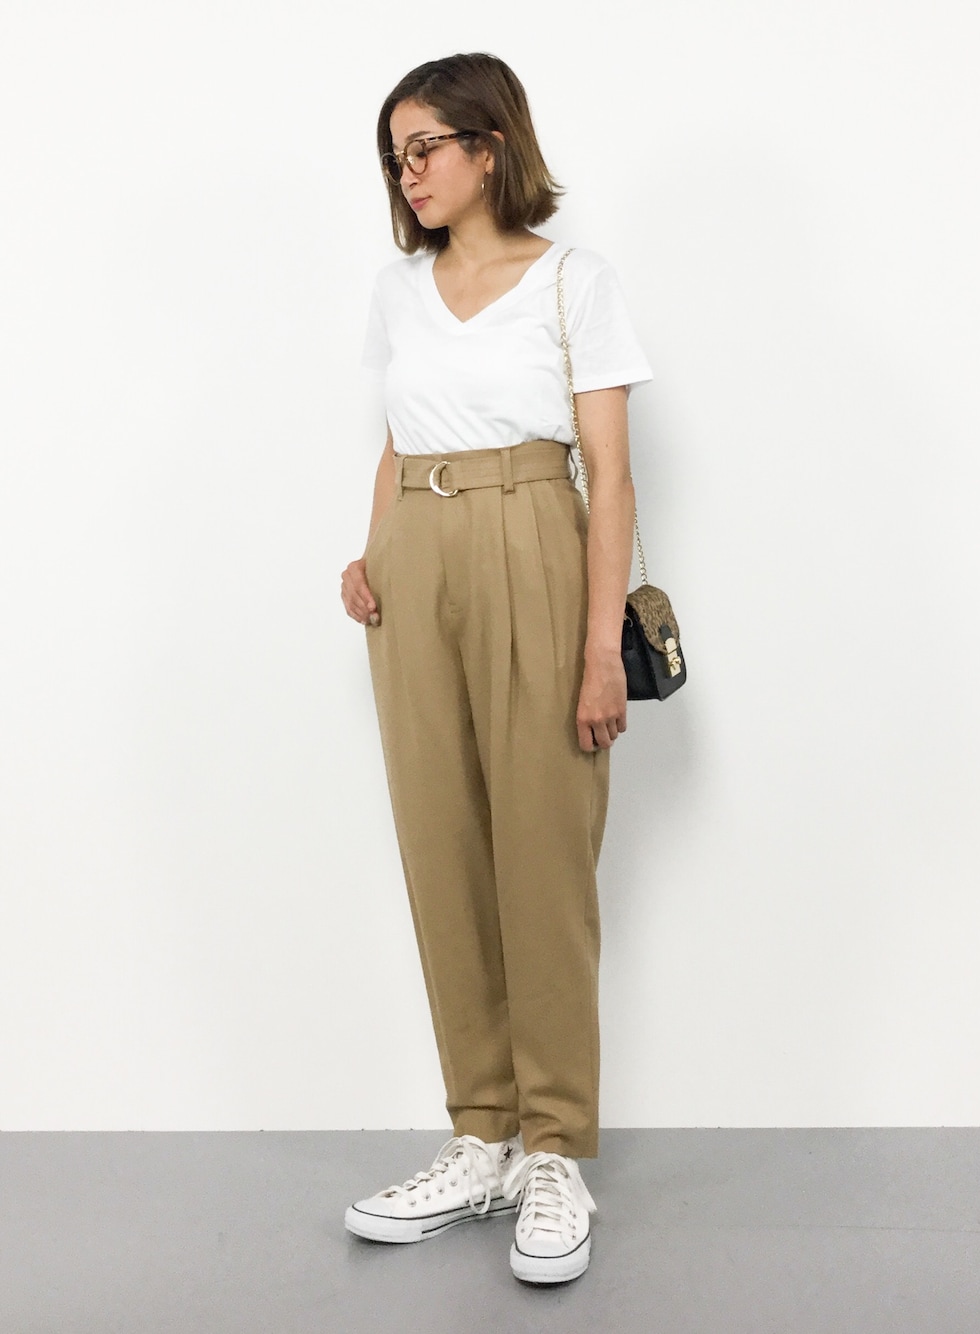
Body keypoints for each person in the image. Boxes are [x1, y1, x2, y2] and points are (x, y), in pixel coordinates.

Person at [339, 52, 652, 1285]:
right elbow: (395, 437)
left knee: (541, 849)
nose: (409, 173)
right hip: (415, 559)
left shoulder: (575, 280)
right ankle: (481, 1133)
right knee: (441, 845)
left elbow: (610, 476)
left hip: (534, 540)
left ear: (490, 145)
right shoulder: (397, 289)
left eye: (427, 146)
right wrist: (371, 552)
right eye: (396, 156)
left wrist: (598, 646)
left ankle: (554, 1146)